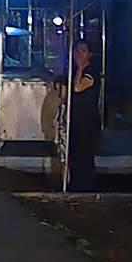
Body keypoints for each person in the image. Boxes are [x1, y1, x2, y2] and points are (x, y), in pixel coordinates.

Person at [55, 39, 99, 191]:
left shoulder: (91, 72)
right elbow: (64, 92)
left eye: (83, 51)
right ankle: (74, 185)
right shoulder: (71, 72)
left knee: (85, 155)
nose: (79, 54)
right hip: (73, 119)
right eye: (77, 51)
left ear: (89, 55)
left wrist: (80, 69)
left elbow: (78, 87)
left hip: (87, 120)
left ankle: (86, 186)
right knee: (73, 154)